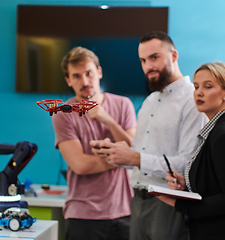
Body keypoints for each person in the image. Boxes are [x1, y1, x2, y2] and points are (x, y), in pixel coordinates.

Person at [90, 31, 208, 240]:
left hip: (169, 204)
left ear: (173, 56)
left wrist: (135, 158)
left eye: (154, 58)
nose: (148, 67)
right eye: (143, 60)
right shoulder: (149, 102)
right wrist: (117, 154)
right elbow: (139, 156)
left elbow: (189, 164)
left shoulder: (192, 101)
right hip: (137, 201)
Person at [158, 61, 225, 240]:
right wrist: (186, 185)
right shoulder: (221, 128)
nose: (199, 92)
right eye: (196, 86)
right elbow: (217, 184)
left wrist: (181, 203)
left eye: (208, 86)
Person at [52, 46, 137, 240]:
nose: (84, 81)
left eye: (89, 73)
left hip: (125, 211)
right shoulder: (62, 114)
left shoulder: (123, 105)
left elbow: (134, 149)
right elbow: (80, 165)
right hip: (83, 215)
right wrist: (123, 157)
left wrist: (107, 119)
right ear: (68, 80)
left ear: (99, 72)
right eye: (76, 76)